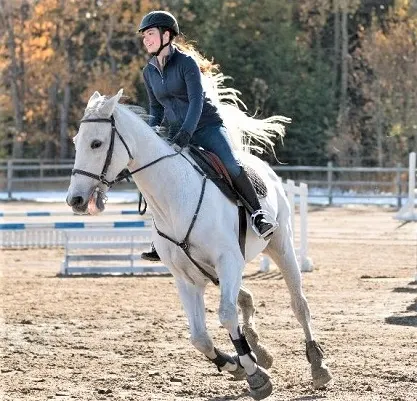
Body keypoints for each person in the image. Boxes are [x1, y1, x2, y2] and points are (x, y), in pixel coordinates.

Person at [138, 10, 277, 261]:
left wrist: (186, 133)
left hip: (206, 127)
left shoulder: (186, 64)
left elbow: (196, 103)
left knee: (232, 165)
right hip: (175, 131)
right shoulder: (148, 72)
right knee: (156, 173)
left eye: (150, 33)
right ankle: (161, 236)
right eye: (144, 36)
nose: (145, 39)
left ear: (166, 35)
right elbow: (156, 108)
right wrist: (153, 131)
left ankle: (258, 214)